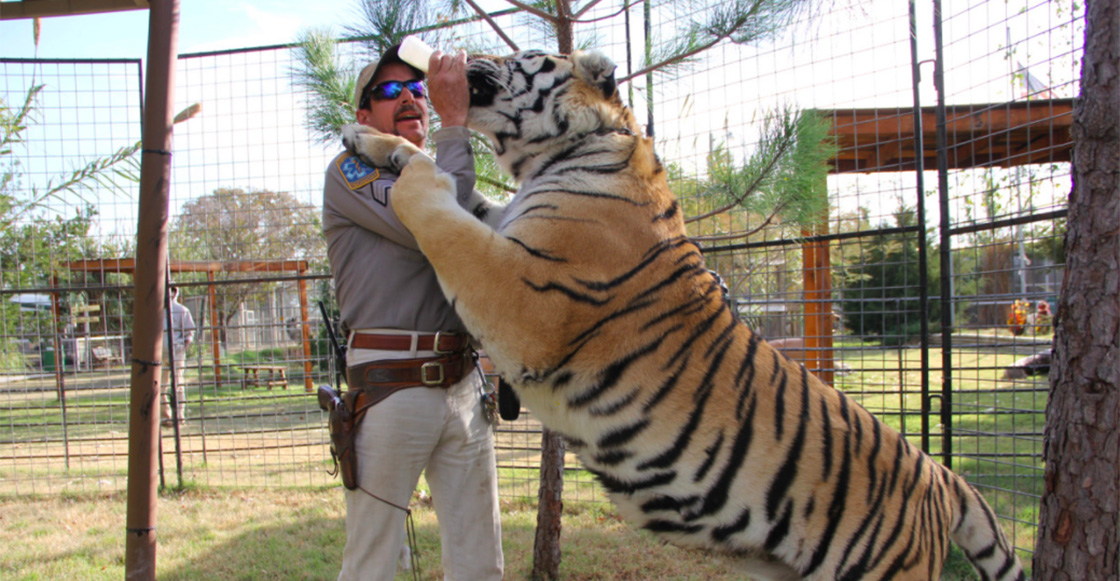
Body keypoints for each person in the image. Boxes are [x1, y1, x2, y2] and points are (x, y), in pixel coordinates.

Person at [321, 44, 504, 581]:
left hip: (463, 384)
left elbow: (500, 235)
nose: (407, 96)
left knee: (481, 565)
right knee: (371, 566)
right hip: (390, 387)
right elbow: (436, 218)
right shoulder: (350, 170)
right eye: (387, 90)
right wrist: (453, 124)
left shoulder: (438, 167)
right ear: (363, 116)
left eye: (417, 88)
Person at [161, 285, 195, 427]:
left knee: (178, 383)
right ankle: (166, 415)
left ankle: (179, 415)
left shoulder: (181, 310)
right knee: (160, 385)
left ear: (174, 292)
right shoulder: (155, 310)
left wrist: (183, 347)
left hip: (177, 351)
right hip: (158, 353)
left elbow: (190, 331)